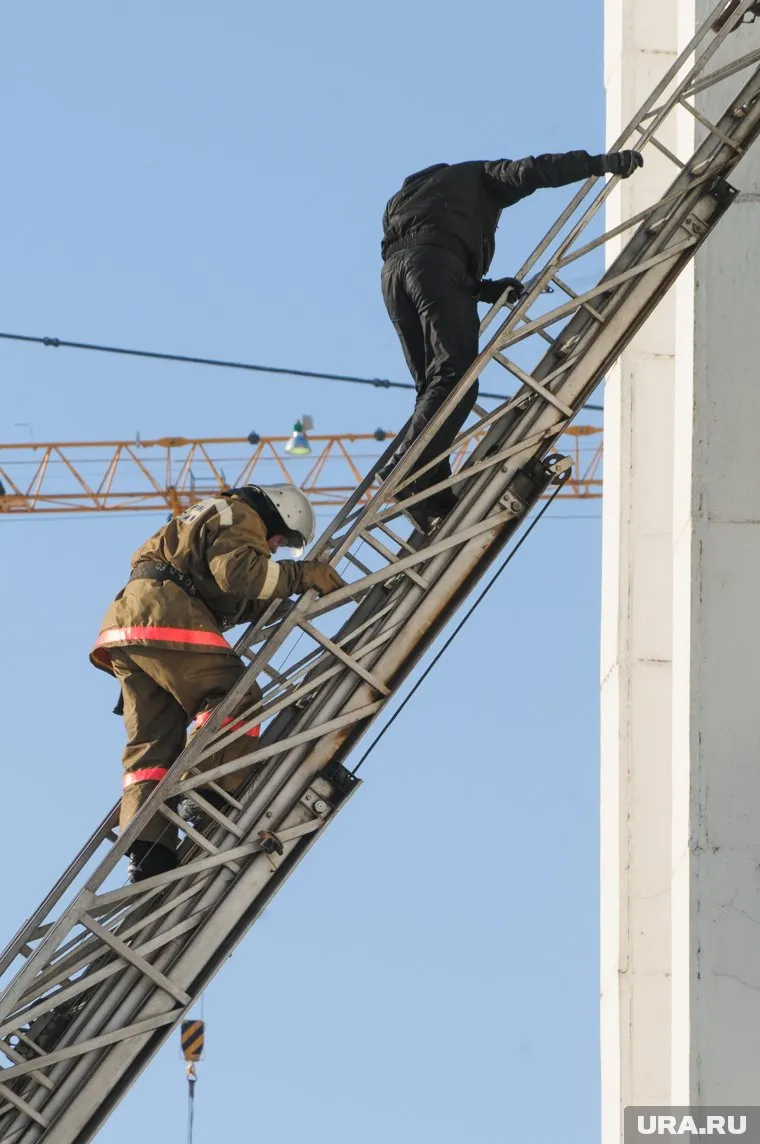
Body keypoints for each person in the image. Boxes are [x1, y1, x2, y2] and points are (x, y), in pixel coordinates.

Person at [379, 147, 644, 531]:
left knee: (432, 387)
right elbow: (533, 170)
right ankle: (408, 470)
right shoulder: (477, 176)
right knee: (457, 381)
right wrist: (599, 165)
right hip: (436, 268)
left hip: (393, 278)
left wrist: (483, 289)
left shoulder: (404, 201)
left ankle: (428, 489)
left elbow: (418, 250)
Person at [90, 484, 345, 882]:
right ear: (275, 515)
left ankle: (148, 854)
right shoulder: (241, 515)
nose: (276, 547)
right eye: (280, 538)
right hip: (165, 613)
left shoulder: (209, 517)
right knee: (234, 696)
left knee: (152, 749)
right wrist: (302, 574)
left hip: (130, 624)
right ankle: (206, 789)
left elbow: (232, 596)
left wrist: (292, 590)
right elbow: (241, 575)